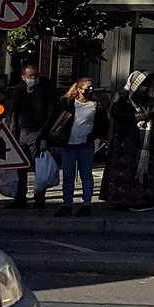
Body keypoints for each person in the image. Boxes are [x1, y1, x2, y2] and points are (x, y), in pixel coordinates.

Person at [3, 59, 57, 208]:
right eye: (30, 76)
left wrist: (44, 133)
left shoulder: (45, 92)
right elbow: (12, 112)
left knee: (38, 165)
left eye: (35, 75)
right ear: (23, 77)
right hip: (20, 133)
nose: (33, 79)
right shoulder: (18, 92)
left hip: (37, 132)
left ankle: (39, 197)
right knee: (21, 167)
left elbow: (50, 112)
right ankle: (20, 197)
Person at [101, 71, 154, 211]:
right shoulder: (121, 96)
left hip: (141, 140)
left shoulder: (143, 97)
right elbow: (117, 113)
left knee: (140, 171)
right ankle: (121, 201)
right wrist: (141, 116)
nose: (144, 87)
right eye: (142, 84)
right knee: (123, 172)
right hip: (123, 141)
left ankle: (140, 200)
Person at [48, 76, 100, 214]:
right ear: (78, 89)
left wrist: (93, 135)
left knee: (86, 174)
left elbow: (102, 124)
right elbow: (54, 119)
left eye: (91, 88)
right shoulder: (67, 103)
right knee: (68, 175)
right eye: (87, 87)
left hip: (85, 144)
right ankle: (67, 203)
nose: (89, 90)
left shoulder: (95, 105)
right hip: (68, 144)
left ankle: (87, 203)